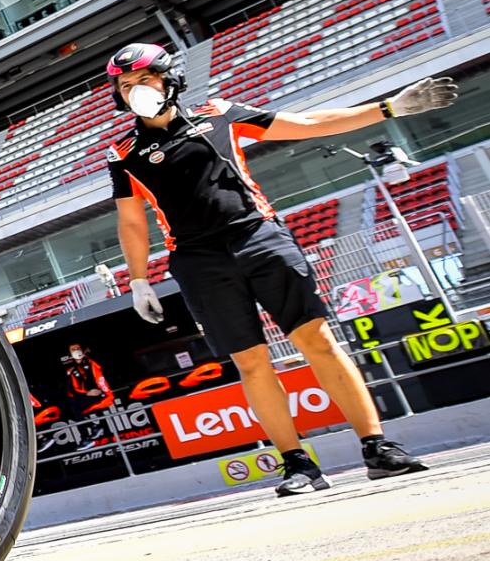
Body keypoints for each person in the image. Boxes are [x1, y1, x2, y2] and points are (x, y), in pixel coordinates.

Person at [104, 42, 452, 495]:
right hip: (197, 260)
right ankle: (298, 465)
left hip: (260, 237)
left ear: (169, 79)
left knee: (318, 342)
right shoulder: (123, 152)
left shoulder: (219, 113)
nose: (136, 90)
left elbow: (306, 124)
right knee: (251, 364)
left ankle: (377, 448)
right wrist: (137, 280)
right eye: (126, 85)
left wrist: (387, 109)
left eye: (145, 79)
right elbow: (131, 221)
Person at [60, 342, 113, 414]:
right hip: (85, 399)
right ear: (69, 353)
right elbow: (71, 390)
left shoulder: (92, 361)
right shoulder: (70, 370)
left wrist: (101, 390)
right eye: (73, 349)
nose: (76, 350)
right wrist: (86, 394)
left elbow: (103, 376)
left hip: (103, 394)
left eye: (78, 348)